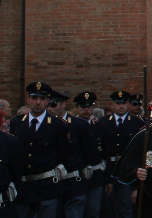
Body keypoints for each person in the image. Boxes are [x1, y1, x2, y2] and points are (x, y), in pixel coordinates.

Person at [10, 82, 70, 218]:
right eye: (34, 98)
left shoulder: (58, 125)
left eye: (42, 99)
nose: (38, 102)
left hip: (47, 185)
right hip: (23, 186)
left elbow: (63, 154)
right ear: (28, 100)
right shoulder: (17, 123)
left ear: (47, 101)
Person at [47, 90, 98, 218]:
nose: (49, 108)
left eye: (54, 104)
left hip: (74, 181)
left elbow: (90, 154)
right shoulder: (45, 125)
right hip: (51, 183)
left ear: (63, 104)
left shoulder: (78, 125)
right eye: (48, 105)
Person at [99, 90, 145, 218]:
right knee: (108, 206)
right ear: (112, 104)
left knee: (125, 206)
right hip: (109, 168)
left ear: (129, 104)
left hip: (127, 170)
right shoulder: (103, 122)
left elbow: (139, 152)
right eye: (118, 103)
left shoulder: (137, 123)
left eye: (124, 103)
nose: (121, 106)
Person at [73, 91, 107, 218]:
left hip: (96, 174)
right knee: (76, 211)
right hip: (77, 174)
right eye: (82, 107)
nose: (86, 109)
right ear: (77, 108)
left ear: (93, 108)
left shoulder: (100, 127)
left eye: (89, 107)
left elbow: (105, 151)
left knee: (93, 211)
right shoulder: (70, 126)